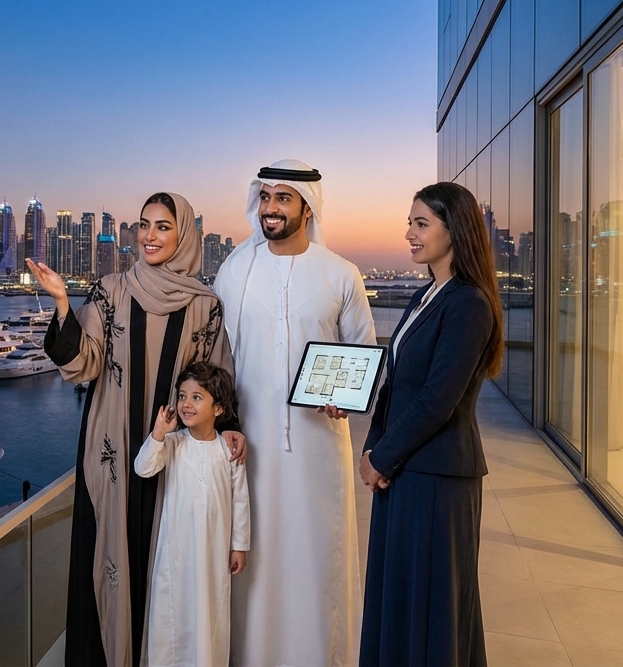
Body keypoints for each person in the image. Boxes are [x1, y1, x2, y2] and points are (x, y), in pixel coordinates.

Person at [29, 191, 244, 667]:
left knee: (163, 560)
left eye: (163, 227)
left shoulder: (205, 306)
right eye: (143, 225)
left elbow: (216, 379)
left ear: (184, 234)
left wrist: (229, 427)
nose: (149, 236)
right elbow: (83, 363)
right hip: (111, 448)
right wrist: (63, 301)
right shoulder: (110, 291)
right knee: (107, 554)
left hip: (176, 458)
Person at [212, 159, 377, 667]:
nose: (271, 209)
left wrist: (345, 398)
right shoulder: (235, 269)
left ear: (308, 207)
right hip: (248, 445)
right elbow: (218, 358)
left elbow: (363, 356)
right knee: (251, 559)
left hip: (319, 447)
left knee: (316, 559)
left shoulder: (341, 273)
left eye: (283, 198)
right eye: (265, 198)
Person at [358, 182, 503, 667]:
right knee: (400, 597)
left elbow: (438, 399)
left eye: (421, 224)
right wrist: (374, 447)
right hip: (405, 474)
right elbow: (396, 383)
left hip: (438, 480)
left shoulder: (468, 304)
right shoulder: (428, 294)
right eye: (410, 223)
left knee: (433, 605)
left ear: (454, 229)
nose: (409, 234)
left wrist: (381, 456)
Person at [134, 362, 250, 667]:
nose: (186, 403)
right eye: (182, 396)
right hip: (176, 553)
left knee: (209, 611)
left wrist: (239, 545)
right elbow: (143, 468)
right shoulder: (173, 444)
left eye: (197, 397)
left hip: (213, 552)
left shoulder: (229, 451)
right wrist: (159, 433)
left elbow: (240, 500)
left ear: (219, 408)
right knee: (173, 612)